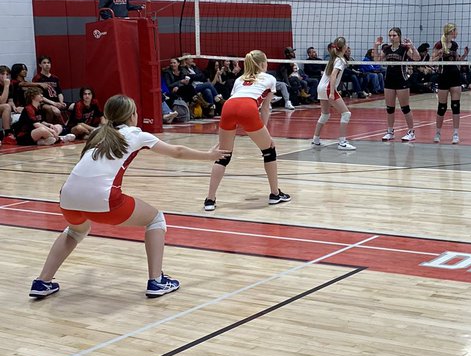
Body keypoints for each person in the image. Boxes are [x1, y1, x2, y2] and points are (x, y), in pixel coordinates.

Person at [29, 93, 220, 299]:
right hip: (102, 198)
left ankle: (42, 281)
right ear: (131, 116)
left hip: (67, 197)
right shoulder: (136, 134)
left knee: (75, 231)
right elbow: (178, 151)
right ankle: (156, 281)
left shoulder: (98, 133)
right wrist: (209, 156)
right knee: (156, 219)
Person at [203, 49, 291, 212]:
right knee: (269, 150)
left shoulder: (239, 79)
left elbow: (236, 103)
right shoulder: (269, 78)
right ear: (263, 63)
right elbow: (265, 108)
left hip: (228, 107)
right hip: (248, 107)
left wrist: (224, 138)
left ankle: (210, 199)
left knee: (223, 155)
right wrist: (265, 132)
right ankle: (275, 194)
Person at [374, 28, 421, 142]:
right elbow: (377, 60)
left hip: (402, 80)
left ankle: (411, 132)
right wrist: (376, 46)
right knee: (390, 108)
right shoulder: (386, 48)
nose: (391, 37)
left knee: (405, 108)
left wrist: (412, 47)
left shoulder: (404, 48)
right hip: (389, 80)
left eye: (394, 35)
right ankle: (390, 131)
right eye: (390, 35)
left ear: (399, 36)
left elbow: (417, 58)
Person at [312, 37, 355, 151]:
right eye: (346, 44)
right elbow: (333, 75)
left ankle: (316, 139)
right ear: (344, 47)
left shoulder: (333, 58)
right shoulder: (340, 60)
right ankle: (342, 143)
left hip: (321, 87)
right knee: (346, 114)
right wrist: (332, 92)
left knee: (325, 115)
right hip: (327, 88)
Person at [432, 23, 468, 144]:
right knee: (442, 107)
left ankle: (456, 134)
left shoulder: (455, 45)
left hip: (455, 76)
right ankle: (437, 133)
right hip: (443, 76)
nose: (456, 33)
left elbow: (457, 60)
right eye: (455, 31)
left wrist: (464, 55)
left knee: (455, 106)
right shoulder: (439, 44)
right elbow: (432, 60)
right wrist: (439, 54)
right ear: (450, 32)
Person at [32, 55, 70, 125]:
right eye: (44, 63)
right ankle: (61, 126)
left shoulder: (55, 78)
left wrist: (61, 102)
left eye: (48, 63)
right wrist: (54, 103)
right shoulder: (37, 78)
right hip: (44, 103)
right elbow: (39, 95)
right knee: (56, 111)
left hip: (57, 101)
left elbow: (59, 92)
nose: (47, 65)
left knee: (73, 106)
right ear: (40, 65)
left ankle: (71, 124)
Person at [0, 65, 12, 139]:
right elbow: (2, 101)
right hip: (1, 105)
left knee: (8, 106)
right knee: (6, 106)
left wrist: (14, 107)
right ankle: (8, 134)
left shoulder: (11, 85)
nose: (5, 76)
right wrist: (6, 86)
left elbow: (10, 100)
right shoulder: (7, 84)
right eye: (2, 74)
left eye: (7, 74)